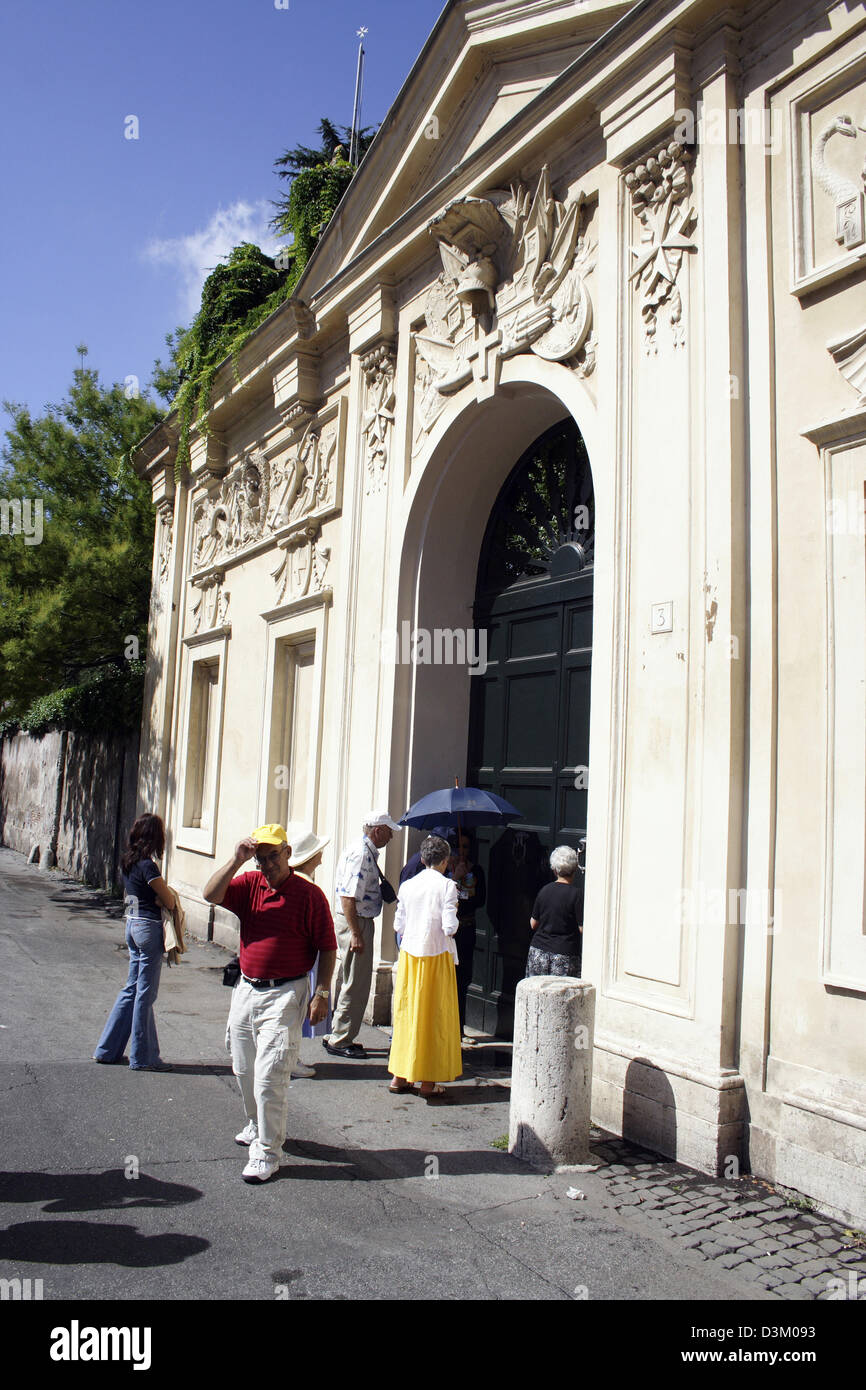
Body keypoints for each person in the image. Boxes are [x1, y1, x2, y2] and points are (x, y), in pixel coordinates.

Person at [203, 823, 336, 1183]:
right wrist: (236, 860)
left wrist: (321, 994)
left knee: (270, 1074)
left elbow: (327, 947)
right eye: (261, 859)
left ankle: (267, 1151)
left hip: (286, 993)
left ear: (288, 853)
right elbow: (210, 894)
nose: (267, 864)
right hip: (246, 989)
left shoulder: (309, 896)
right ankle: (254, 1121)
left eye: (273, 856)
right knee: (243, 1068)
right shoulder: (249, 886)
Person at [94, 813, 177, 1072]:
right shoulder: (149, 866)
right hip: (148, 927)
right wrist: (163, 899)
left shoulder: (128, 862)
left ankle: (107, 1050)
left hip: (131, 923)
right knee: (145, 993)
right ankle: (143, 1057)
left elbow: (135, 894)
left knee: (131, 988)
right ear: (156, 837)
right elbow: (170, 900)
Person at [388, 834, 462, 1101]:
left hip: (410, 954)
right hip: (436, 954)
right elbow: (449, 927)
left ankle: (400, 1074)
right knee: (434, 1015)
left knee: (408, 1012)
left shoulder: (408, 885)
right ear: (444, 861)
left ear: (422, 859)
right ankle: (428, 1081)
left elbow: (399, 925)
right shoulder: (447, 886)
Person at [324, 811, 402, 1059]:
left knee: (349, 978)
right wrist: (356, 932)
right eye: (388, 831)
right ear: (377, 830)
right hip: (356, 922)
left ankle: (339, 1033)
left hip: (356, 921)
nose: (391, 836)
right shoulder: (361, 854)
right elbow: (348, 896)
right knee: (355, 983)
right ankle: (340, 1039)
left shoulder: (362, 851)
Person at [287, 825, 331, 1077]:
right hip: (303, 957)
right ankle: (290, 1059)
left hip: (303, 955)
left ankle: (292, 1056)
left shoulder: (297, 882)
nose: (322, 856)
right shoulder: (305, 887)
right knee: (296, 1008)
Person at [449, 831, 486, 1042]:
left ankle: (459, 1028)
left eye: (466, 847)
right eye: (459, 846)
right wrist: (455, 879)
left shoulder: (476, 871)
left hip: (467, 930)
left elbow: (480, 900)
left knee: (462, 980)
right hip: (450, 933)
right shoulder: (446, 871)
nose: (462, 851)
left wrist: (466, 884)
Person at [525, 844, 583, 977]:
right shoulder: (577, 894)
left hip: (538, 952)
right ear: (575, 869)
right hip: (564, 954)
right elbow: (581, 928)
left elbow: (533, 924)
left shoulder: (544, 890)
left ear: (554, 870)